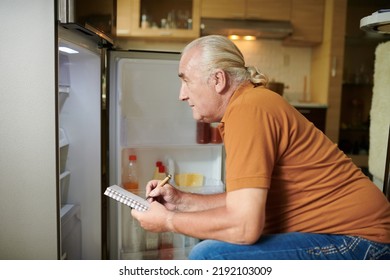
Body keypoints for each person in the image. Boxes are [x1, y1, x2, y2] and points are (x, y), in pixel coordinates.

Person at [131, 35, 390, 260]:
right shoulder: (249, 105)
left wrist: (167, 222)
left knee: (210, 256)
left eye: (186, 81)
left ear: (218, 80)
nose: (182, 94)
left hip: (365, 242)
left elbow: (244, 227)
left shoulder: (248, 110)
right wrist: (181, 202)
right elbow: (242, 205)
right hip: (355, 235)